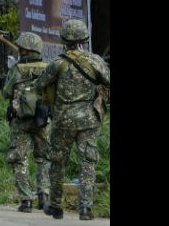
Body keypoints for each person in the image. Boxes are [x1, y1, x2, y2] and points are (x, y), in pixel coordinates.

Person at [33, 19, 110, 221]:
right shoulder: (96, 61)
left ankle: (56, 206)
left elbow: (38, 85)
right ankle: (85, 208)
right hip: (89, 120)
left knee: (58, 162)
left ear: (64, 41)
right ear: (85, 39)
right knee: (88, 163)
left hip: (63, 121)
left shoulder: (57, 63)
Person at [2, 32, 52, 212]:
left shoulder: (16, 69)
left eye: (21, 48)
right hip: (43, 120)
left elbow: (6, 93)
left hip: (20, 120)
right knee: (44, 159)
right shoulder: (49, 67)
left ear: (25, 50)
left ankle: (26, 200)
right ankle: (44, 197)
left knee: (19, 159)